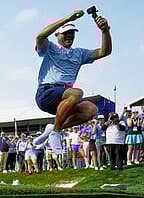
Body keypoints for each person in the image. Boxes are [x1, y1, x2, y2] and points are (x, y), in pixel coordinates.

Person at [32, 10, 112, 154]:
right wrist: (68, 18)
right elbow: (40, 36)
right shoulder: (49, 48)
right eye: (65, 33)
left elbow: (104, 51)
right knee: (77, 93)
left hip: (64, 99)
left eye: (72, 32)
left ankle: (53, 129)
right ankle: (56, 133)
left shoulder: (79, 53)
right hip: (46, 93)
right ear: (57, 34)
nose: (69, 35)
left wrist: (105, 31)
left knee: (91, 110)